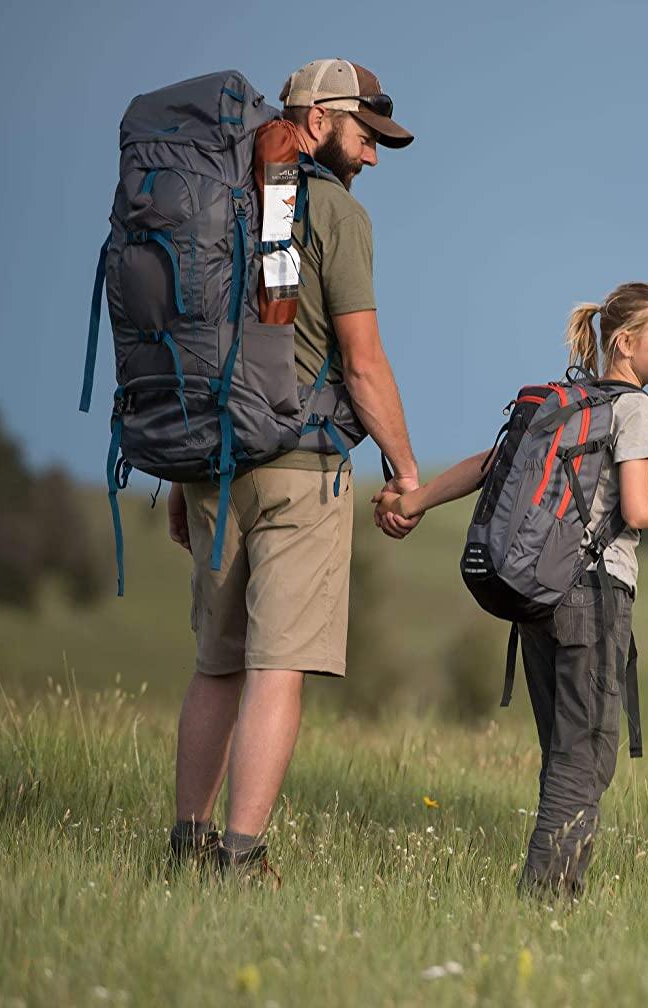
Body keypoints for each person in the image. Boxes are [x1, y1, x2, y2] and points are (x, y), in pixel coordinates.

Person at [376, 282, 648, 897]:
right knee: (584, 756)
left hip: (541, 594)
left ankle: (551, 893)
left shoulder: (564, 401)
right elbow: (639, 510)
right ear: (625, 343)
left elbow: (491, 463)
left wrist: (415, 501)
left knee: (563, 750)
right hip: (594, 599)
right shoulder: (636, 410)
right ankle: (546, 902)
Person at [164, 59, 422, 876]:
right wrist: (406, 467)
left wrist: (181, 472)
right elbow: (364, 358)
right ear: (318, 121)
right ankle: (240, 860)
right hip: (298, 468)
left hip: (211, 459)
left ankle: (186, 847)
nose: (373, 156)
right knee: (278, 665)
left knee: (216, 664)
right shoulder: (334, 213)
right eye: (365, 135)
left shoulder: (218, 202)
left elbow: (210, 347)